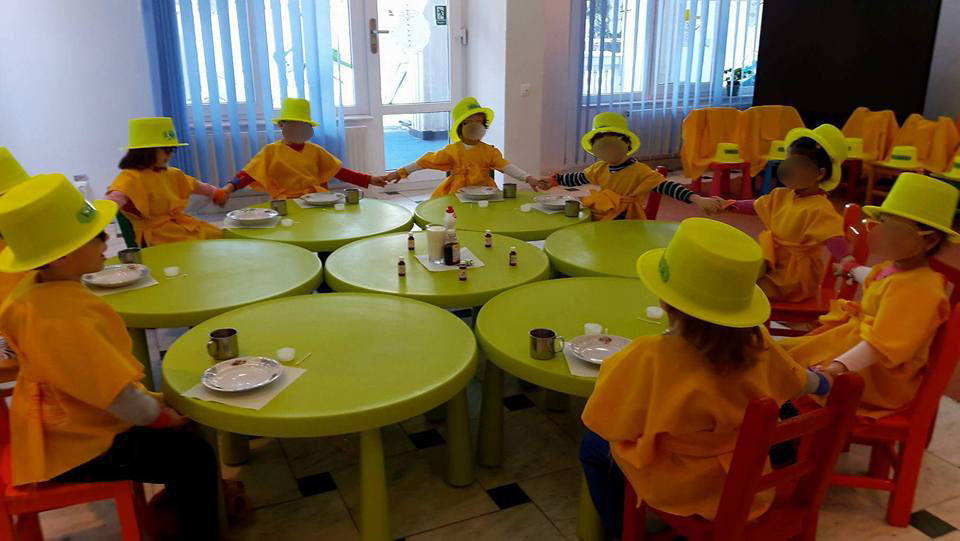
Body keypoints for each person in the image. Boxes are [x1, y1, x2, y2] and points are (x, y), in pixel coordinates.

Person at [0, 174, 219, 538]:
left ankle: (174, 511)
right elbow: (117, 396)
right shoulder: (62, 318)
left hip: (59, 423)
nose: (106, 241)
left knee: (181, 442)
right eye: (96, 236)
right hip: (75, 444)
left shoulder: (34, 291)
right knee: (192, 455)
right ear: (63, 254)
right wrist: (162, 417)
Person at [579, 217, 827, 537]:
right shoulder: (761, 345)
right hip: (747, 479)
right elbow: (799, 383)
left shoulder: (649, 355)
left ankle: (619, 532)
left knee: (593, 445)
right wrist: (826, 381)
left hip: (682, 486)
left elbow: (605, 419)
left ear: (665, 300)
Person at [782, 173, 954, 417]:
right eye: (882, 224)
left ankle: (797, 419)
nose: (883, 234)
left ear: (930, 241)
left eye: (896, 230)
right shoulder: (897, 267)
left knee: (800, 366)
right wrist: (851, 270)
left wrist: (835, 370)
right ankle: (791, 403)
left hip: (879, 372)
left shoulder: (920, 289)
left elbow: (882, 345)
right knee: (789, 355)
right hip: (855, 342)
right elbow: (876, 280)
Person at [722, 124, 853, 302]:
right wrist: (730, 204)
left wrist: (846, 260)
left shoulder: (820, 208)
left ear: (819, 174)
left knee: (747, 290)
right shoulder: (782, 194)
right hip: (773, 260)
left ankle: (745, 315)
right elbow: (757, 205)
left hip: (794, 276)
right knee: (734, 273)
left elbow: (834, 237)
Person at [537, 112, 723, 219]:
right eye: (602, 147)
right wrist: (554, 180)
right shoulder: (600, 168)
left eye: (613, 146)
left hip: (628, 217)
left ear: (627, 146)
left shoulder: (639, 171)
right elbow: (578, 177)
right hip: (606, 212)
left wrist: (698, 199)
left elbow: (667, 187)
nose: (608, 151)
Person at [225, 97, 389, 199]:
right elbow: (248, 174)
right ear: (281, 125)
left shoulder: (315, 150)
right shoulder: (271, 152)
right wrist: (227, 189)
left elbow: (339, 172)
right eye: (293, 124)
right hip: (285, 202)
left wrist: (370, 179)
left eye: (302, 125)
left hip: (315, 199)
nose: (297, 129)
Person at [106, 117, 224, 246]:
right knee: (196, 245)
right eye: (166, 150)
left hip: (177, 226)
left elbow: (194, 184)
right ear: (147, 151)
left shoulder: (171, 173)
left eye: (172, 150)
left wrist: (214, 192)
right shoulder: (131, 177)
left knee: (215, 234)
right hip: (156, 236)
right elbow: (115, 197)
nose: (170, 155)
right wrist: (100, 217)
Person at [386, 97, 537, 197]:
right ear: (460, 128)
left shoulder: (489, 151)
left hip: (485, 194)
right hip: (457, 194)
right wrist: (400, 172)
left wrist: (528, 178)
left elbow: (506, 166)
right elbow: (425, 162)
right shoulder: (452, 151)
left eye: (479, 123)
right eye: (469, 123)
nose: (475, 127)